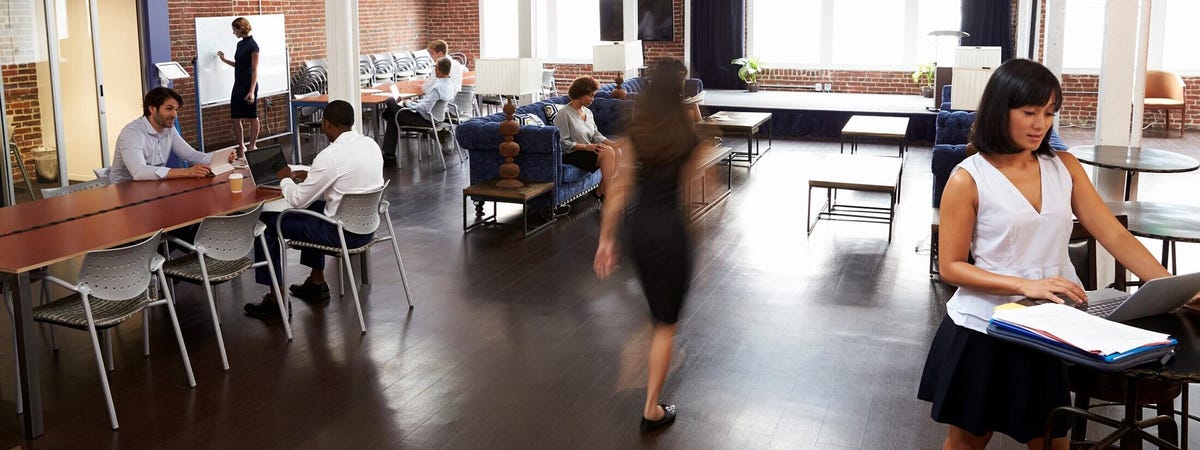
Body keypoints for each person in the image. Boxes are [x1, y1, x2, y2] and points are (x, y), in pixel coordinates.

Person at [917, 58, 1172, 450]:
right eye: (1029, 112)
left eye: (1050, 112)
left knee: (1052, 440)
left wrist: (1170, 286)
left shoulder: (1064, 166)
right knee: (968, 441)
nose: (1041, 124)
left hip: (1051, 327)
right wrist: (1026, 284)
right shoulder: (968, 178)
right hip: (985, 329)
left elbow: (1114, 235)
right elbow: (951, 267)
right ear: (1001, 110)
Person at [593, 59, 709, 433]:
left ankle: (646, 345)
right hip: (670, 233)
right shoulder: (689, 136)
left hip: (638, 232)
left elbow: (618, 192)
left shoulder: (635, 132)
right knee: (665, 324)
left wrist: (606, 240)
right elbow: (698, 195)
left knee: (657, 312)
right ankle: (651, 409)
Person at [244, 100, 384, 318]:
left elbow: (298, 201)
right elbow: (347, 178)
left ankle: (276, 300)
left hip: (340, 235)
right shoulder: (371, 145)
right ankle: (316, 282)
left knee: (266, 224)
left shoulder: (329, 156)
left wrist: (284, 180)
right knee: (319, 207)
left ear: (326, 124)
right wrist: (312, 177)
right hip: (368, 228)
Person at [110, 87, 214, 184]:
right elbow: (139, 171)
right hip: (123, 191)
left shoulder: (168, 129)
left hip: (151, 186)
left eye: (176, 110)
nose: (174, 115)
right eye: (169, 109)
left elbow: (191, 155)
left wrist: (221, 158)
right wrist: (187, 172)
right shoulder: (132, 133)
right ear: (152, 109)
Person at [554, 76, 622, 199]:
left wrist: (612, 143)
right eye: (590, 95)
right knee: (608, 152)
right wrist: (586, 147)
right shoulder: (564, 114)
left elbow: (595, 134)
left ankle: (600, 191)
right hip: (571, 154)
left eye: (594, 95)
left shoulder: (588, 112)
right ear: (580, 94)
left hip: (588, 150)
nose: (593, 99)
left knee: (617, 151)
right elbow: (562, 143)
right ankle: (609, 192)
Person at [381, 57, 456, 162]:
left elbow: (425, 108)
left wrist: (410, 105)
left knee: (390, 101)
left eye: (435, 67)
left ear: (438, 69)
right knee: (393, 118)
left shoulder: (437, 87)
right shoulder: (449, 84)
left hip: (426, 121)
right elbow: (428, 103)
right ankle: (389, 155)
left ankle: (389, 155)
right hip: (436, 119)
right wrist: (413, 102)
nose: (434, 69)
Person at [216, 17, 260, 157]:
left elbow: (254, 70)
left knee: (252, 117)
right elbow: (239, 65)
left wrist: (252, 91)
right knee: (235, 117)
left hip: (249, 85)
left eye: (235, 29)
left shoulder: (253, 46)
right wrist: (224, 60)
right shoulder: (240, 45)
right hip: (238, 85)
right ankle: (241, 147)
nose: (233, 32)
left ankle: (252, 145)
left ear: (241, 28)